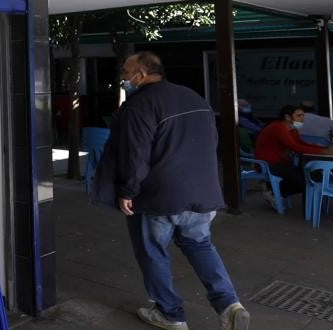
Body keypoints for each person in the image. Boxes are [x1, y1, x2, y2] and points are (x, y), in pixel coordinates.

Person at [98, 51, 250, 330]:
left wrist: (128, 191)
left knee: (152, 251)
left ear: (140, 75)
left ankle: (170, 314)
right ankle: (229, 304)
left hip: (159, 196)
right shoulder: (194, 98)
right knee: (200, 245)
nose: (123, 78)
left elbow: (135, 153)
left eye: (125, 72)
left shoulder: (139, 105)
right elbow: (211, 141)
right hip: (202, 194)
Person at [254, 105, 333, 198]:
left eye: (303, 115)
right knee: (307, 179)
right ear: (287, 117)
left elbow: (302, 144)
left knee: (313, 176)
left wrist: (326, 148)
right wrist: (324, 151)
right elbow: (296, 147)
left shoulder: (292, 129)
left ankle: (274, 191)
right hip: (268, 165)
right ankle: (273, 191)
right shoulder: (278, 127)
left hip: (282, 164)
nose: (303, 119)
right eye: (299, 116)